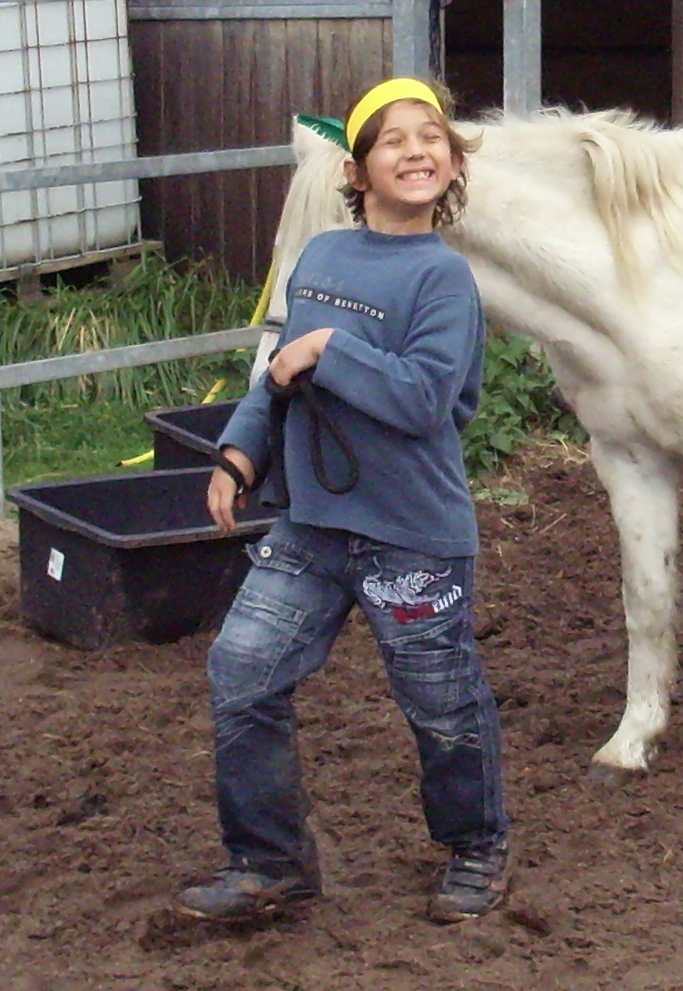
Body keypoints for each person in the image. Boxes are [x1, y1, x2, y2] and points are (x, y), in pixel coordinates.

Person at [176, 77, 510, 926]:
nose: (415, 151)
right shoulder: (323, 256)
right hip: (313, 524)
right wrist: (241, 450)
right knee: (241, 671)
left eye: (431, 136)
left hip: (412, 538)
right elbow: (276, 373)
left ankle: (476, 846)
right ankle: (268, 861)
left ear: (452, 161)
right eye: (392, 140)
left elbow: (425, 399)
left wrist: (330, 347)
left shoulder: (443, 279)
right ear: (358, 170)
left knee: (440, 704)